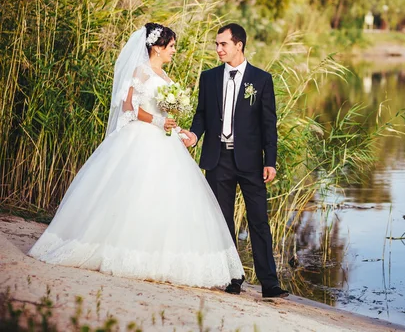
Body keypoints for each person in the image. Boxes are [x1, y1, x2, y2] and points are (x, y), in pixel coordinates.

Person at [28, 23, 245, 288]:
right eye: (172, 46)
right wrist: (156, 120)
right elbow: (129, 108)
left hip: (166, 142)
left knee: (167, 199)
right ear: (156, 47)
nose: (174, 51)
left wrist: (178, 130)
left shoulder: (167, 78)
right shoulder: (141, 72)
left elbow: (166, 116)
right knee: (134, 193)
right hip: (140, 139)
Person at [180, 23, 288, 298]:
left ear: (238, 45)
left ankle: (269, 284)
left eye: (223, 44)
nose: (218, 49)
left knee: (259, 221)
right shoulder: (209, 78)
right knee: (223, 221)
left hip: (251, 162)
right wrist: (194, 135)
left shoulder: (261, 80)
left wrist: (270, 161)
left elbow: (268, 125)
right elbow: (202, 114)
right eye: (216, 44)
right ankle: (232, 277)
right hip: (218, 159)